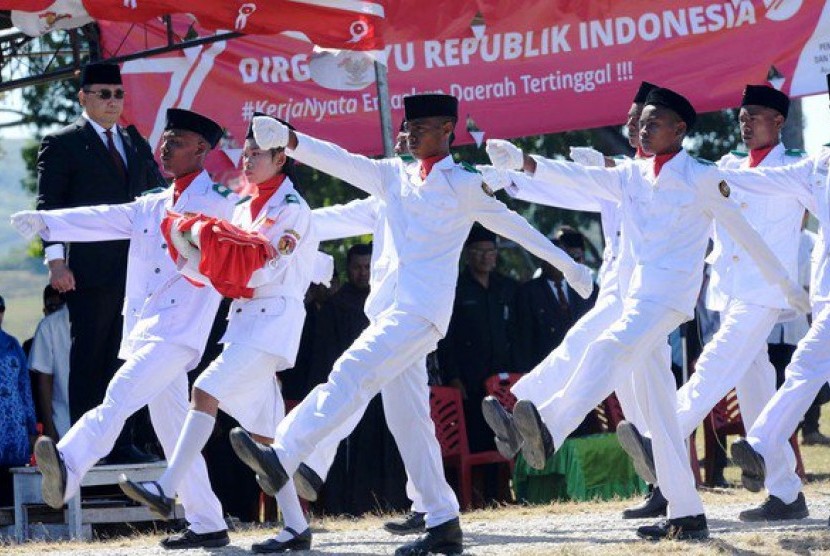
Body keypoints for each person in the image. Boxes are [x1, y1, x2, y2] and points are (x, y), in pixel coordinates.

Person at [226, 93, 594, 556]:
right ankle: (441, 518)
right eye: (408, 125)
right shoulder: (392, 176)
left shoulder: (462, 185)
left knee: (352, 370)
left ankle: (285, 453)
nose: (411, 132)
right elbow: (342, 162)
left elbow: (517, 228)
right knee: (410, 419)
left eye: (422, 126)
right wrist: (293, 141)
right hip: (388, 311)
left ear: (448, 130)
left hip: (420, 314)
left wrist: (572, 269)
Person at [483, 86, 807, 540]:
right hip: (638, 297)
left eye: (655, 122)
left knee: (605, 346)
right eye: (644, 121)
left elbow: (747, 234)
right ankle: (686, 513)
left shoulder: (700, 176)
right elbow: (578, 178)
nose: (644, 128)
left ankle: (550, 425)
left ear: (679, 129)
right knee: (659, 414)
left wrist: (787, 286)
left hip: (667, 301)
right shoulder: (633, 175)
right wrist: (523, 163)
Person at [11, 108, 236, 550]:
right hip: (150, 327)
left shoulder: (220, 205)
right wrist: (48, 223)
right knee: (172, 425)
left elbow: (232, 259)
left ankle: (68, 462)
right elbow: (104, 217)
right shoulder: (154, 202)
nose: (165, 148)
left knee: (120, 394)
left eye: (176, 142)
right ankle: (208, 520)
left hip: (180, 330)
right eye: (164, 140)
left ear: (202, 150)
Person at [119, 113, 320, 553]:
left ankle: (167, 486)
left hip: (272, 322)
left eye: (257, 154)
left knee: (204, 391)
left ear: (281, 158)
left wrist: (213, 244)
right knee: (266, 432)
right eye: (245, 152)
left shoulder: (292, 209)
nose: (246, 161)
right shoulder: (246, 207)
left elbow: (262, 264)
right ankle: (295, 527)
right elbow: (224, 268)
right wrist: (194, 247)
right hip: (245, 321)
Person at [615, 85, 810, 522]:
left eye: (754, 116)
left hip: (765, 290)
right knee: (754, 386)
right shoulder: (724, 165)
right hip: (728, 288)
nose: (744, 124)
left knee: (715, 365)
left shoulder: (797, 166)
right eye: (741, 117)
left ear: (778, 122)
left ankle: (662, 436)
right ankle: (785, 492)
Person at [479, 81, 668, 520]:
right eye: (630, 120)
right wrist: (514, 179)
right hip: (618, 290)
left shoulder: (651, 175)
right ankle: (664, 487)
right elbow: (568, 190)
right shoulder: (621, 172)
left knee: (591, 354)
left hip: (645, 297)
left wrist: (528, 167)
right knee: (635, 398)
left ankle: (534, 421)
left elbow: (578, 184)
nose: (631, 125)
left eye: (639, 119)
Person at [36, 62, 159, 463]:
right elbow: (48, 207)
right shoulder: (63, 142)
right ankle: (88, 445)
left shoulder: (133, 140)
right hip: (90, 270)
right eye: (103, 94)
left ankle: (123, 442)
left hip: (138, 270)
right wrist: (56, 262)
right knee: (90, 354)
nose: (112, 102)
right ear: (83, 97)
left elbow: (157, 191)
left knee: (129, 358)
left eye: (118, 94)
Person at [438, 224, 518, 456]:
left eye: (490, 251)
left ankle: (506, 491)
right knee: (476, 442)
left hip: (504, 378)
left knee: (509, 440)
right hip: (470, 380)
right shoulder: (455, 289)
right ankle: (478, 493)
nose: (485, 258)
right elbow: (447, 339)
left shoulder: (507, 287)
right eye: (478, 252)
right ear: (467, 254)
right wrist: (453, 377)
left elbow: (516, 333)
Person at [513, 228, 598, 374]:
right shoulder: (528, 293)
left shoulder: (585, 286)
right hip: (546, 368)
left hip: (582, 366)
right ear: (543, 261)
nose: (558, 263)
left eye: (563, 257)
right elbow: (523, 339)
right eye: (553, 258)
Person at [0, 294, 38, 507]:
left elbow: (25, 388)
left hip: (14, 432)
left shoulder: (12, 345)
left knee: (11, 493)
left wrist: (32, 428)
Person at [28, 286, 71, 440]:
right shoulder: (49, 325)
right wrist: (49, 429)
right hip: (63, 425)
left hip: (102, 428)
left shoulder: (104, 319)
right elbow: (44, 381)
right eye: (51, 306)